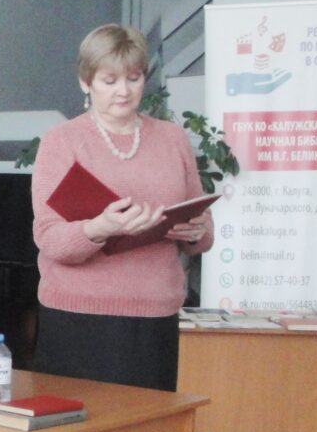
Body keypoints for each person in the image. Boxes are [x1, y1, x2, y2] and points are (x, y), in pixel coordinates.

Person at [30, 23, 213, 389]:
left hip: (155, 317)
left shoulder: (172, 138)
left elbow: (203, 224)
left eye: (133, 78)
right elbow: (49, 238)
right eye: (109, 80)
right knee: (80, 424)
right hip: (78, 318)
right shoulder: (61, 141)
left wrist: (196, 231)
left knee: (152, 422)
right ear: (86, 82)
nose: (124, 91)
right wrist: (101, 227)